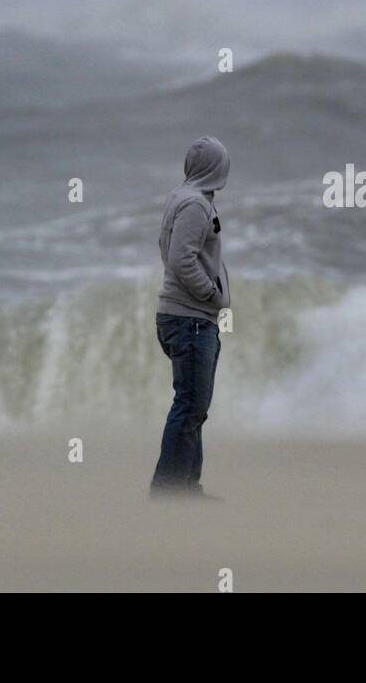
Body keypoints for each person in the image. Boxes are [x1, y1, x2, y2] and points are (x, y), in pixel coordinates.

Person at [151, 136, 231, 498]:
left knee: (194, 406)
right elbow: (182, 258)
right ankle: (167, 490)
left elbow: (165, 249)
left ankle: (186, 487)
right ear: (217, 167)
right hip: (191, 319)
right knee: (190, 406)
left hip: (181, 316)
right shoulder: (196, 205)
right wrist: (211, 295)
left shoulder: (178, 198)